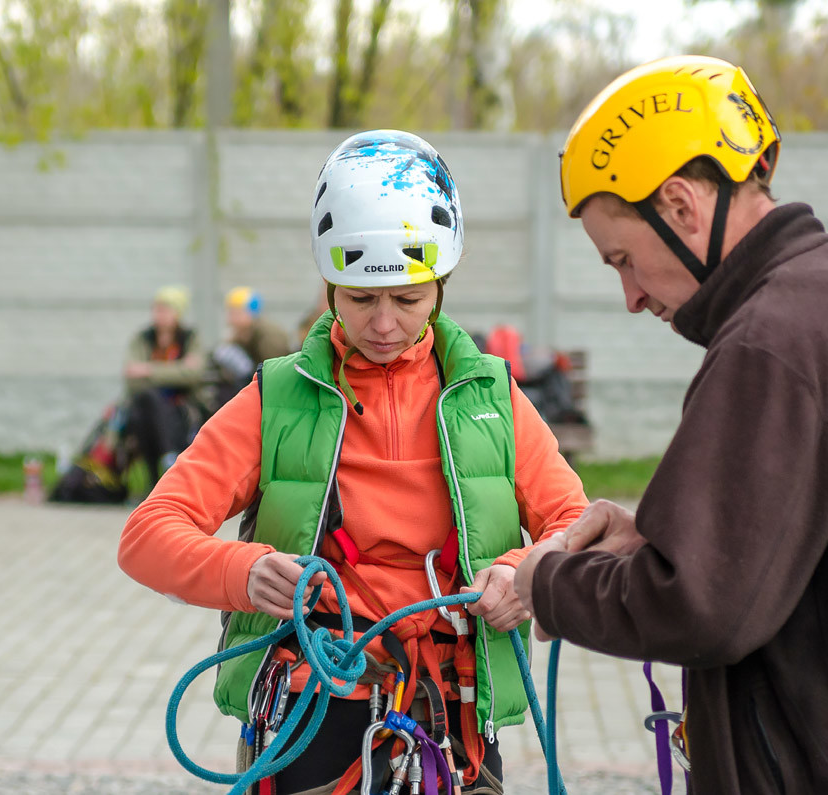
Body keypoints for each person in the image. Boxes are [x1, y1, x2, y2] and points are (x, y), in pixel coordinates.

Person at [514, 56, 828, 794]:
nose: (629, 294)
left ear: (682, 205)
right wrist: (658, 537)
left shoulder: (772, 341)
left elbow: (701, 605)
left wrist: (549, 581)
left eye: (623, 258)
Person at [119, 130, 587, 795]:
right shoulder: (276, 398)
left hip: (450, 714)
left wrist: (522, 572)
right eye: (363, 298)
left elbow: (574, 520)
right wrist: (242, 571)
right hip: (315, 705)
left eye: (409, 298)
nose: (387, 324)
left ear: (441, 286)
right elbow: (146, 535)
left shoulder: (494, 397)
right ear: (330, 284)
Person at [123, 285, 207, 486]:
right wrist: (176, 371)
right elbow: (131, 377)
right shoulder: (143, 338)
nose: (159, 315)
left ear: (178, 313)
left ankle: (157, 477)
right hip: (146, 405)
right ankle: (164, 464)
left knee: (152, 411)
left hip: (182, 406)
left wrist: (148, 370)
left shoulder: (189, 338)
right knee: (147, 405)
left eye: (165, 310)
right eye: (156, 309)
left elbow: (193, 374)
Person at [211, 286, 295, 406]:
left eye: (236, 312)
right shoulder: (242, 333)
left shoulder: (269, 335)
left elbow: (275, 371)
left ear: (250, 312)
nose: (230, 319)